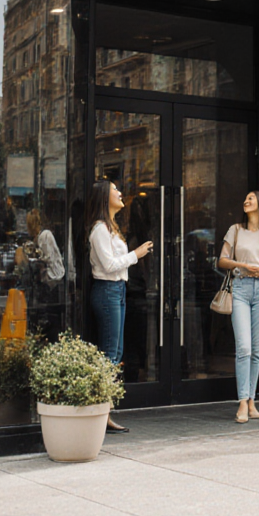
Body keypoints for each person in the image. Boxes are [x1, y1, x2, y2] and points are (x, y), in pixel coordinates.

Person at [85, 179, 153, 434]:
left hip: (118, 290)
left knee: (116, 352)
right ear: (105, 197)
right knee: (110, 354)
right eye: (115, 190)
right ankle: (102, 413)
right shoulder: (99, 229)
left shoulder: (111, 228)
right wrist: (136, 254)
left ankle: (105, 412)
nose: (121, 192)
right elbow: (110, 265)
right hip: (108, 291)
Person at [217, 191, 259, 424]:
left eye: (251, 198)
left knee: (256, 348)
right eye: (244, 198)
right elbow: (222, 260)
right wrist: (242, 264)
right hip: (241, 287)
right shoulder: (235, 230)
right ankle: (242, 401)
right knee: (243, 347)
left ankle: (252, 400)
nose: (246, 201)